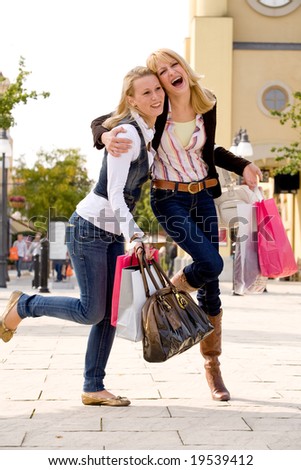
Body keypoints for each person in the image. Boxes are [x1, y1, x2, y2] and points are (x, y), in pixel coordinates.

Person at [90, 48, 263, 402]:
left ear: (184, 69)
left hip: (203, 197)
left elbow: (208, 150)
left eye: (174, 65)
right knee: (212, 264)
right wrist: (104, 137)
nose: (170, 73)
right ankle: (172, 288)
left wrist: (242, 165)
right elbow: (102, 122)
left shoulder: (207, 103)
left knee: (211, 285)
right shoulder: (158, 108)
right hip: (169, 200)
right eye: (162, 72)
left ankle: (212, 366)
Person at [0, 66, 165, 407]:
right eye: (146, 92)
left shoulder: (147, 132)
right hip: (89, 228)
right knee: (92, 311)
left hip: (108, 233)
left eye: (157, 90)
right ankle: (25, 304)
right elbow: (115, 193)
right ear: (131, 99)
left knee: (108, 313)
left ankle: (94, 386)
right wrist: (134, 234)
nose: (156, 96)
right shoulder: (128, 134)